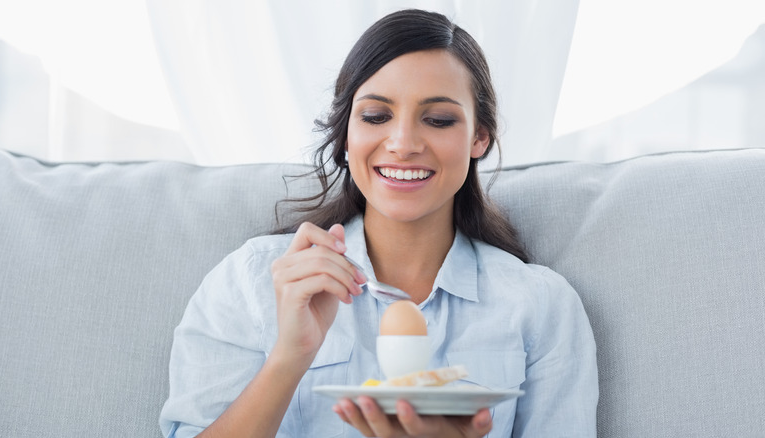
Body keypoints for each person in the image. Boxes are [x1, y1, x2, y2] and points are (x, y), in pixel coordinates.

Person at [160, 8, 598, 438]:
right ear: (346, 133)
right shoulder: (253, 280)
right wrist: (289, 358)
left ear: (479, 137)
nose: (403, 144)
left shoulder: (540, 307)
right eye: (375, 116)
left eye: (439, 120)